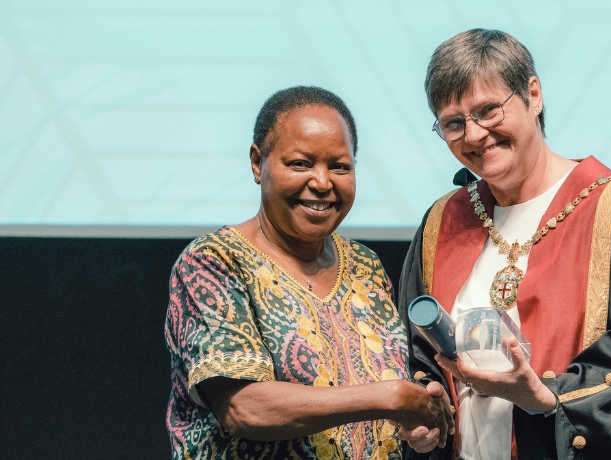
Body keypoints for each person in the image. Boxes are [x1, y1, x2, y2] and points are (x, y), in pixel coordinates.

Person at [397, 29, 611, 459]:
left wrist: (545, 396)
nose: (474, 136)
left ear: (533, 95)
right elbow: (414, 357)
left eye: (489, 111)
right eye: (454, 123)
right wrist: (425, 414)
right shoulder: (443, 222)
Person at [165, 86, 453, 459]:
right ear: (258, 163)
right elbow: (244, 408)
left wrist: (417, 423)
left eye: (339, 166)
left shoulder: (365, 266)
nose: (322, 182)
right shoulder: (214, 261)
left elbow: (397, 389)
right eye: (300, 163)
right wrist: (392, 397)